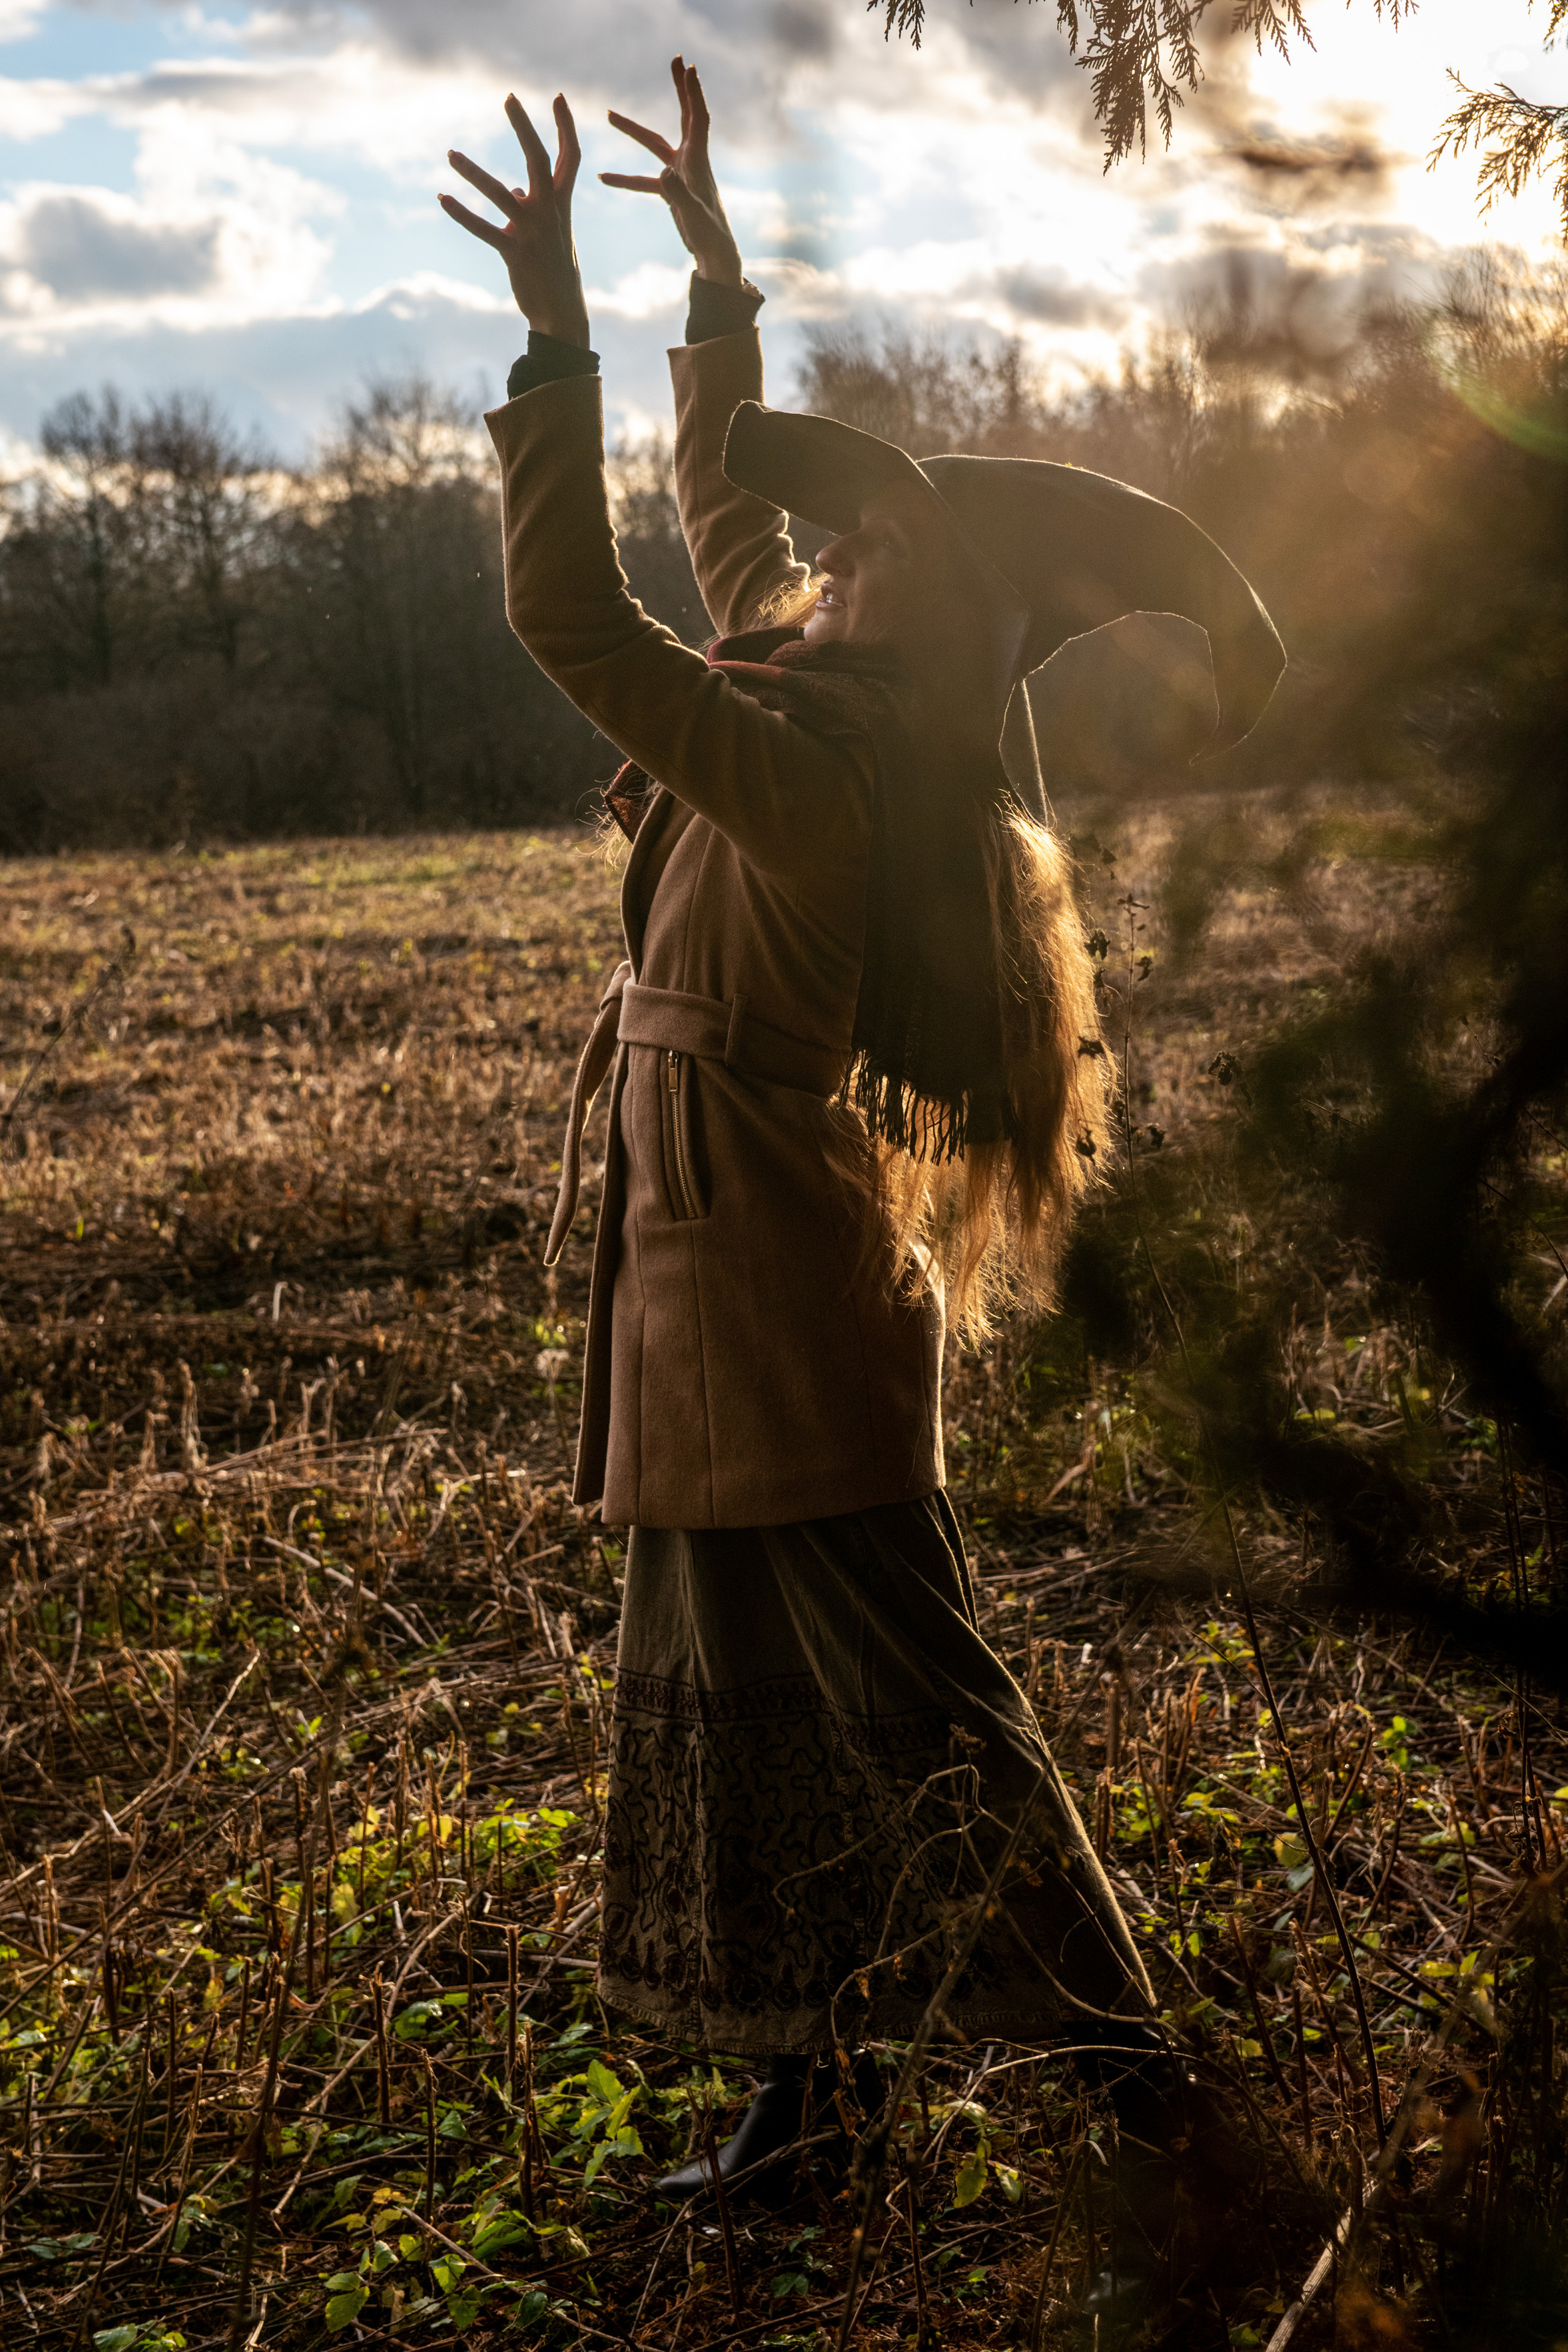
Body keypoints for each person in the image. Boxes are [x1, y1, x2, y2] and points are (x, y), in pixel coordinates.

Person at [440, 59, 1283, 2316]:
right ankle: (809, 2110)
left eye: (875, 554)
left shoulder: (824, 770)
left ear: (941, 626)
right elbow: (727, 530)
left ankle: (1150, 2104)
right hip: (709, 1264)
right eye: (839, 542)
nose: (823, 563)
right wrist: (710, 277)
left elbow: (576, 620)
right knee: (742, 1701)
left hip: (772, 1290)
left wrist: (553, 337)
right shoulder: (814, 696)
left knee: (918, 1710)